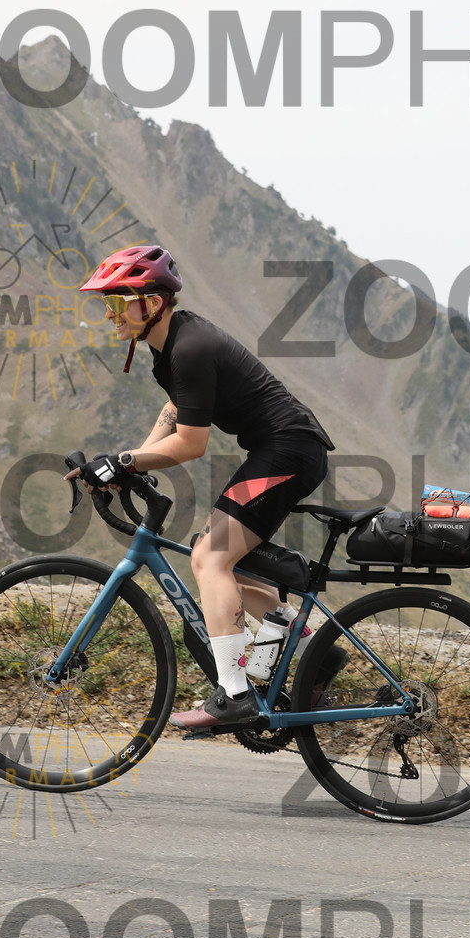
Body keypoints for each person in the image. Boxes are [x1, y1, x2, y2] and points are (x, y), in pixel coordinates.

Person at [68, 244, 336, 727]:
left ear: (151, 303)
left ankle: (235, 694)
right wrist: (132, 463)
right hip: (283, 449)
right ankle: (314, 650)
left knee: (210, 559)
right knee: (213, 554)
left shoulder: (189, 348)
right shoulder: (172, 344)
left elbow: (191, 443)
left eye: (117, 302)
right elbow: (176, 409)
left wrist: (123, 461)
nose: (109, 314)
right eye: (107, 303)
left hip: (288, 450)